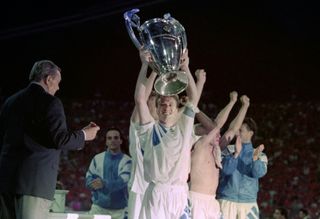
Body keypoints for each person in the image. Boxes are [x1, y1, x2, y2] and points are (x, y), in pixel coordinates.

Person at [0, 60, 100, 219]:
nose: (58, 87)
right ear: (48, 79)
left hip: (5, 182)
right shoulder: (50, 102)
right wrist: (84, 135)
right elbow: (59, 139)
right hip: (34, 185)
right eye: (58, 82)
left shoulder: (9, 102)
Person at [135, 48, 199, 219]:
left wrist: (185, 67)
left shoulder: (184, 127)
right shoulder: (149, 129)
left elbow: (194, 97)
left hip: (179, 194)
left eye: (170, 104)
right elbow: (140, 99)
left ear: (177, 108)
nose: (166, 107)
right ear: (156, 108)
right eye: (162, 104)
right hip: (157, 192)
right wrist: (146, 66)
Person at [217, 116, 268, 219]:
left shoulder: (259, 155)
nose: (237, 133)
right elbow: (225, 171)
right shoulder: (228, 150)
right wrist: (235, 154)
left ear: (251, 133)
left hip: (248, 203)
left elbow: (257, 173)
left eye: (240, 130)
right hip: (227, 200)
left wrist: (254, 159)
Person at [127, 71, 157, 219]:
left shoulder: (164, 129)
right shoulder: (139, 126)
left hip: (160, 190)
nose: (152, 104)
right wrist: (154, 72)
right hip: (140, 188)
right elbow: (140, 98)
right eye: (151, 101)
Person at [86, 127, 132, 219]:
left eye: (116, 138)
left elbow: (122, 182)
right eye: (109, 138)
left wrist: (103, 183)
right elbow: (88, 180)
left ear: (121, 141)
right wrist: (92, 184)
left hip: (120, 211)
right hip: (98, 209)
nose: (112, 140)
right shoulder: (97, 159)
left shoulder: (128, 161)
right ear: (106, 142)